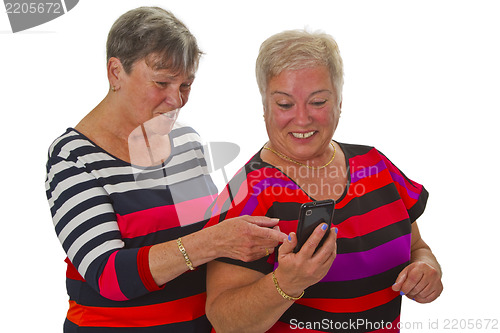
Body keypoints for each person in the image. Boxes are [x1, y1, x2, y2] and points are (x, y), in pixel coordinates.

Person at [44, 7, 286, 332]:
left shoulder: (185, 141)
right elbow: (108, 275)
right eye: (162, 82)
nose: (177, 100)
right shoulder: (73, 157)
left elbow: (200, 228)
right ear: (116, 73)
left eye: (186, 84)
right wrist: (214, 241)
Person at [205, 29, 443, 332]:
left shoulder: (376, 166)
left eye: (318, 101)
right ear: (264, 107)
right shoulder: (245, 192)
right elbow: (224, 320)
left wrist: (427, 270)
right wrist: (287, 283)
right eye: (285, 104)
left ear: (340, 102)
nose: (302, 119)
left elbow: (418, 248)